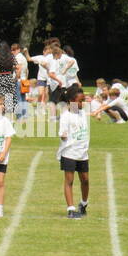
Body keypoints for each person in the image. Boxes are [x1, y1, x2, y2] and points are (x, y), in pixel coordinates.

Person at [56, 89, 91, 219]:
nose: (82, 103)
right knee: (69, 181)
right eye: (80, 101)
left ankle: (83, 203)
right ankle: (71, 209)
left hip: (82, 153)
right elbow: (63, 134)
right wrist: (64, 135)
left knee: (85, 180)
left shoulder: (82, 113)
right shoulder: (66, 116)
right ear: (71, 101)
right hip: (69, 153)